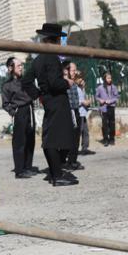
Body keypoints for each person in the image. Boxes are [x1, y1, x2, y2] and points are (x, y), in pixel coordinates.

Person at [30, 23, 78, 186]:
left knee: (59, 137)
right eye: (59, 41)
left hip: (50, 100)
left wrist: (39, 95)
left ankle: (55, 171)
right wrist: (67, 83)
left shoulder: (37, 60)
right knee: (59, 138)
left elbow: (26, 81)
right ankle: (57, 174)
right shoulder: (51, 58)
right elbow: (55, 83)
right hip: (57, 100)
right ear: (56, 41)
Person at [2, 56, 38, 178]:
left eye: (22, 65)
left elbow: (35, 94)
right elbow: (5, 104)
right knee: (19, 142)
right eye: (18, 66)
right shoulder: (7, 85)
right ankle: (19, 170)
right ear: (10, 68)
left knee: (30, 140)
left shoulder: (26, 81)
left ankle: (28, 167)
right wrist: (14, 112)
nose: (21, 67)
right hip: (19, 113)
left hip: (30, 110)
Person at [64, 61, 84, 170]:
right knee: (72, 137)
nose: (75, 72)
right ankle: (70, 161)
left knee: (76, 136)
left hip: (76, 110)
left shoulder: (74, 81)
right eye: (73, 70)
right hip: (70, 111)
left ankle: (73, 160)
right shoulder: (65, 82)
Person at [95, 71, 120, 145]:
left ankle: (112, 139)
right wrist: (100, 100)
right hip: (103, 108)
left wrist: (111, 101)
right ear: (104, 78)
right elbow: (96, 96)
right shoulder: (100, 87)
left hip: (111, 107)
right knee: (105, 124)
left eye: (110, 78)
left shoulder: (114, 87)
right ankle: (105, 139)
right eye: (108, 78)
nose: (109, 79)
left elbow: (117, 97)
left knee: (112, 123)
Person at [75, 73, 93, 155]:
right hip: (78, 113)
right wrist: (83, 102)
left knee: (85, 131)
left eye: (82, 78)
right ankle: (74, 149)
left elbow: (83, 98)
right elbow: (74, 101)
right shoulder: (74, 88)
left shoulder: (81, 89)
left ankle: (84, 148)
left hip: (83, 113)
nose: (81, 80)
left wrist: (87, 102)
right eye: (79, 78)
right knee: (78, 131)